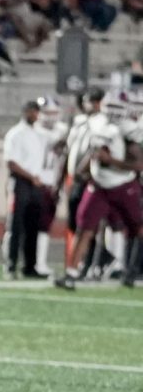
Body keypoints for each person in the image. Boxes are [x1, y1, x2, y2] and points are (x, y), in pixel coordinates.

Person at [56, 92, 143, 289]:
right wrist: (82, 172)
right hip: (99, 186)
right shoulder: (97, 125)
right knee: (84, 228)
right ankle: (71, 272)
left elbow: (139, 164)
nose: (112, 113)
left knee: (137, 228)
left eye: (116, 108)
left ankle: (131, 270)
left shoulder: (129, 130)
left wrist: (110, 160)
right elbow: (95, 152)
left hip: (124, 185)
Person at [2, 100, 47, 280]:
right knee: (16, 225)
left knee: (33, 226)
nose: (35, 115)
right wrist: (31, 177)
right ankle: (10, 265)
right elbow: (11, 162)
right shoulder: (15, 134)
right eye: (33, 111)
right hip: (21, 182)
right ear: (26, 112)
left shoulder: (38, 133)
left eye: (37, 112)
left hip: (35, 184)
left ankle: (30, 265)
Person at [64, 87, 104, 270]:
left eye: (88, 101)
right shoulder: (80, 122)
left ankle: (91, 262)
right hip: (76, 178)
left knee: (87, 222)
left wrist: (86, 172)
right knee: (75, 221)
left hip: (90, 178)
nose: (84, 105)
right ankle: (87, 260)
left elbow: (97, 150)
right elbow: (70, 149)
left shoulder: (102, 123)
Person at [33, 96, 68, 277]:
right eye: (47, 113)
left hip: (52, 182)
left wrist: (59, 185)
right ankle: (21, 261)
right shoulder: (34, 130)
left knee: (46, 224)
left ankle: (40, 262)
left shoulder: (62, 130)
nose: (51, 117)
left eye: (54, 113)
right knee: (25, 223)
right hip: (35, 181)